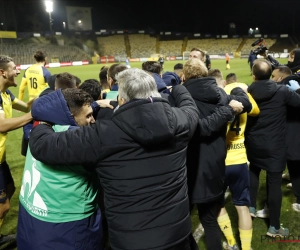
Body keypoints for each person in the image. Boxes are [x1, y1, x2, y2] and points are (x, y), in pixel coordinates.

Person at [28, 68, 202, 250]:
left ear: (122, 100)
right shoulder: (180, 121)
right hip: (177, 235)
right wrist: (177, 88)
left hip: (131, 241)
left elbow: (42, 145)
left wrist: (44, 122)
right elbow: (191, 108)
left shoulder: (102, 134)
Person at [17, 88, 103, 250]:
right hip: (69, 223)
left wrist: (95, 105)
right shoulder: (76, 140)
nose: (93, 120)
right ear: (70, 116)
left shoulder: (38, 125)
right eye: (88, 115)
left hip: (31, 217)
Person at [182, 59, 251, 250]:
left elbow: (197, 129)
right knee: (209, 219)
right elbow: (246, 104)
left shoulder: (181, 96)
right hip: (215, 165)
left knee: (180, 222)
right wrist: (237, 92)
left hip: (189, 166)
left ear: (184, 76)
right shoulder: (220, 92)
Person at [246, 59, 300, 237]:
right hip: (275, 145)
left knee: (253, 171)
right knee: (274, 183)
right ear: (271, 75)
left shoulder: (248, 91)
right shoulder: (282, 90)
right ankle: (274, 227)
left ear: (254, 76)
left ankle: (251, 208)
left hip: (253, 142)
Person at [210, 70, 260, 250]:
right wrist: (243, 91)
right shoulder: (242, 99)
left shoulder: (212, 102)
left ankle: (231, 242)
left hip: (219, 162)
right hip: (239, 160)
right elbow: (255, 110)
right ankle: (246, 248)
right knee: (242, 207)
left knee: (218, 203)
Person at [0, 55, 34, 245]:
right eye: (14, 68)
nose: (18, 71)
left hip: (1, 157)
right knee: (4, 206)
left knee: (10, 189)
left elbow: (26, 107)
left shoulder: (6, 94)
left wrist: (42, 98)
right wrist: (33, 115)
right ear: (3, 72)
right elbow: (2, 125)